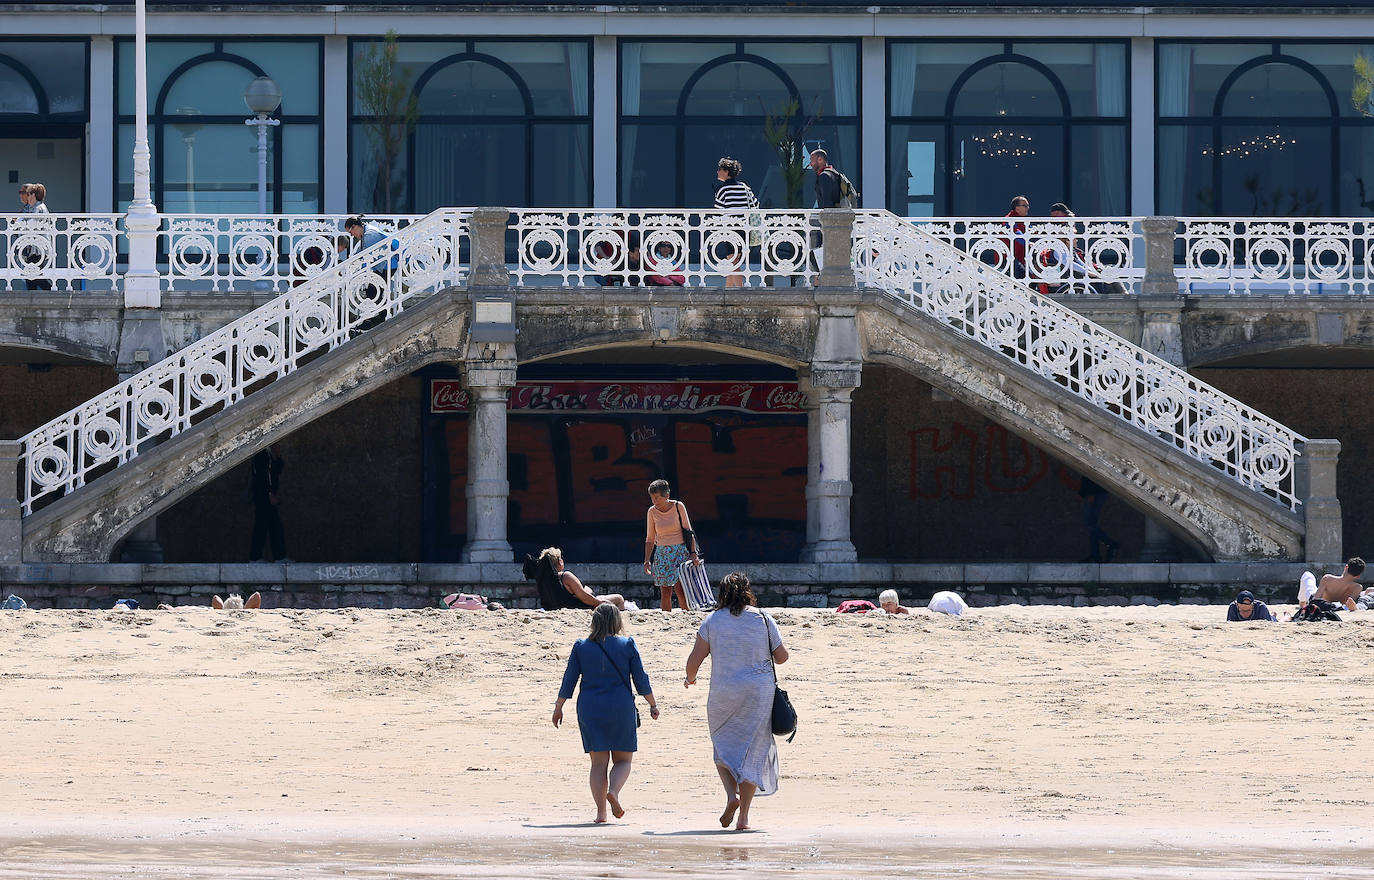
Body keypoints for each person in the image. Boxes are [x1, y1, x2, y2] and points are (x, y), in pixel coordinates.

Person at [684, 572, 788, 832]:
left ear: (722, 594)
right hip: (758, 692)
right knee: (753, 748)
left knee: (723, 744)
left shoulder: (712, 621)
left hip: (723, 692)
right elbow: (782, 657)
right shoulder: (763, 618)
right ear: (747, 591)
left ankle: (731, 795)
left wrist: (690, 679)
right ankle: (743, 819)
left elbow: (694, 661)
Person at [553, 602, 659, 824]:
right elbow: (641, 679)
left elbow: (569, 680)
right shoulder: (627, 644)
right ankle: (614, 792)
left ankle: (601, 814)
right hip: (620, 707)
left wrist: (559, 707)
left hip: (590, 708)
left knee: (598, 764)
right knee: (623, 760)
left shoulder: (581, 646)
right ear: (617, 621)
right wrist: (652, 704)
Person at [643, 479, 700, 611]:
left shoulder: (678, 506)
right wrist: (647, 560)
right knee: (665, 591)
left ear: (666, 495)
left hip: (680, 551)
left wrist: (693, 553)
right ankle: (667, 618)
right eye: (652, 498)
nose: (654, 501)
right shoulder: (651, 512)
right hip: (662, 553)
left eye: (657, 497)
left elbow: (688, 531)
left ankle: (686, 614)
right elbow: (650, 538)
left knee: (681, 589)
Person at [528, 547, 626, 611]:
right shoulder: (565, 576)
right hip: (580, 607)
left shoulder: (542, 581)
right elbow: (584, 598)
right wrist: (600, 603)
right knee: (619, 598)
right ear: (560, 562)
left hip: (555, 608)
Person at [713, 157, 759, 289]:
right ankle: (727, 290)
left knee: (732, 262)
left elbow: (718, 212)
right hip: (744, 229)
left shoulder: (722, 190)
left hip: (730, 230)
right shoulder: (745, 188)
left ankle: (740, 292)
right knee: (733, 261)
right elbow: (755, 205)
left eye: (720, 170)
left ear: (726, 172)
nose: (718, 172)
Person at [248, 446, 288, 563]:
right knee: (266, 526)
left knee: (270, 526)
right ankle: (257, 557)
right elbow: (264, 475)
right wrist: (269, 492)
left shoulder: (268, 453)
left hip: (264, 496)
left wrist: (278, 457)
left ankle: (272, 556)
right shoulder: (261, 453)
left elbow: (274, 472)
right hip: (264, 497)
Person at [18, 183, 52, 290]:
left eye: (28, 194)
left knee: (34, 276)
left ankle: (53, 292)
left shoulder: (39, 208)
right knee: (31, 277)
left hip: (37, 248)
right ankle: (31, 300)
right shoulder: (34, 208)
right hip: (32, 247)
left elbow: (32, 224)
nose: (27, 197)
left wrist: (20, 222)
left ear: (33, 195)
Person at [1078, 476, 1120, 563]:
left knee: (1089, 523)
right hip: (1095, 491)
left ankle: (1111, 544)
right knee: (1092, 524)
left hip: (1095, 491)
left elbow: (1091, 471)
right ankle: (1095, 554)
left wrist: (1091, 492)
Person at [1002, 195, 1030, 279]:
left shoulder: (1022, 220)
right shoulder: (1009, 219)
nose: (1028, 208)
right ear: (1017, 208)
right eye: (1025, 206)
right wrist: (1028, 243)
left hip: (1020, 256)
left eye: (1028, 206)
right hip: (1007, 257)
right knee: (1022, 275)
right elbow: (1016, 233)